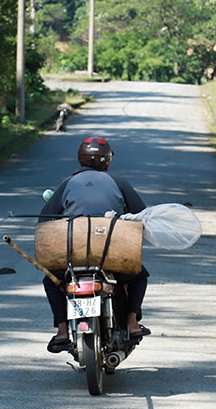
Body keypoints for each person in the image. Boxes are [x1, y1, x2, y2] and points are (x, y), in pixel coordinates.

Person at [39, 136, 151, 353]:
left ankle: (62, 330)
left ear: (80, 158)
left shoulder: (67, 183)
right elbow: (140, 214)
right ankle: (131, 322)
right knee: (139, 276)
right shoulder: (118, 182)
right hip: (111, 255)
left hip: (74, 258)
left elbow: (45, 219)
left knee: (51, 280)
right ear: (107, 161)